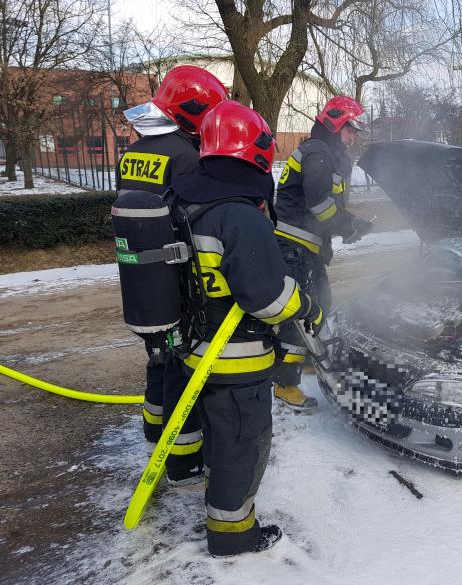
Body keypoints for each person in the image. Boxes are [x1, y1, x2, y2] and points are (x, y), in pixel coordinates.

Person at [169, 100, 323, 557]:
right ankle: (233, 535)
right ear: (255, 150)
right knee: (242, 443)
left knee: (218, 433)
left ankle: (218, 498)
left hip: (198, 348)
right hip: (237, 357)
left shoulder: (186, 197)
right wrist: (308, 305)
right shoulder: (238, 212)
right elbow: (268, 297)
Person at [117, 65, 227, 482]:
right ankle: (182, 460)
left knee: (158, 354)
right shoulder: (186, 156)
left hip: (143, 276)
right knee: (183, 365)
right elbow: (196, 216)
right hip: (180, 277)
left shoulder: (137, 150)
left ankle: (153, 426)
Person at [271, 95, 371, 411]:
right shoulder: (318, 153)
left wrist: (349, 226)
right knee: (298, 313)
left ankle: (307, 356)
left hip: (306, 246)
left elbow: (328, 207)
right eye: (350, 128)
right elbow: (320, 205)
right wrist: (347, 225)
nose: (353, 136)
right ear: (335, 122)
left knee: (321, 303)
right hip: (294, 247)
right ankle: (285, 383)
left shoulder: (326, 153)